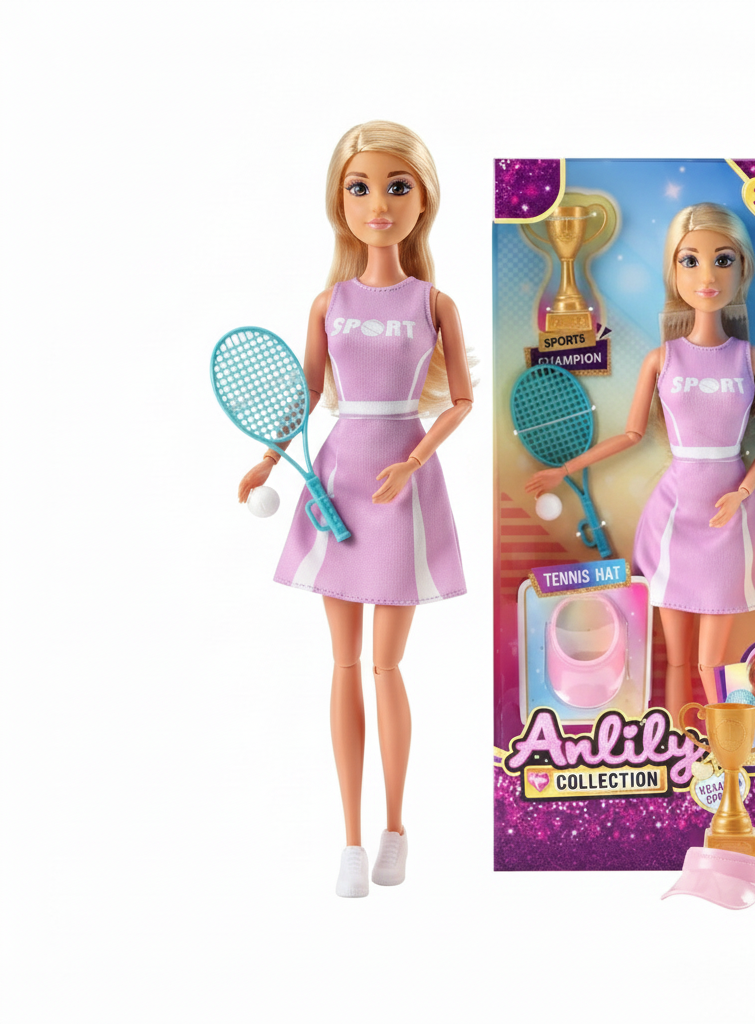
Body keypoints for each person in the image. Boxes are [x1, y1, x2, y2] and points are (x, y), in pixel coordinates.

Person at [237, 122, 472, 897]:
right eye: (360, 187)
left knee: (386, 664)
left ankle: (395, 828)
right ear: (339, 201)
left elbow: (462, 400)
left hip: (399, 487)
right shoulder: (328, 302)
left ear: (423, 200)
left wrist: (416, 459)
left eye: (397, 187)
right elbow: (309, 392)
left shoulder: (433, 302)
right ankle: (347, 840)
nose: (379, 204)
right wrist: (270, 456)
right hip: (337, 480)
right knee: (342, 663)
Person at [527, 203, 755, 720]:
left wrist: (742, 491)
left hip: (729, 518)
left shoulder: (750, 360)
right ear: (673, 270)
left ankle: (724, 749)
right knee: (675, 658)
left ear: (743, 268)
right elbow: (631, 433)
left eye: (723, 260)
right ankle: (676, 744)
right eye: (690, 261)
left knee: (712, 661)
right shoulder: (662, 359)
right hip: (674, 519)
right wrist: (566, 468)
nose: (707, 276)